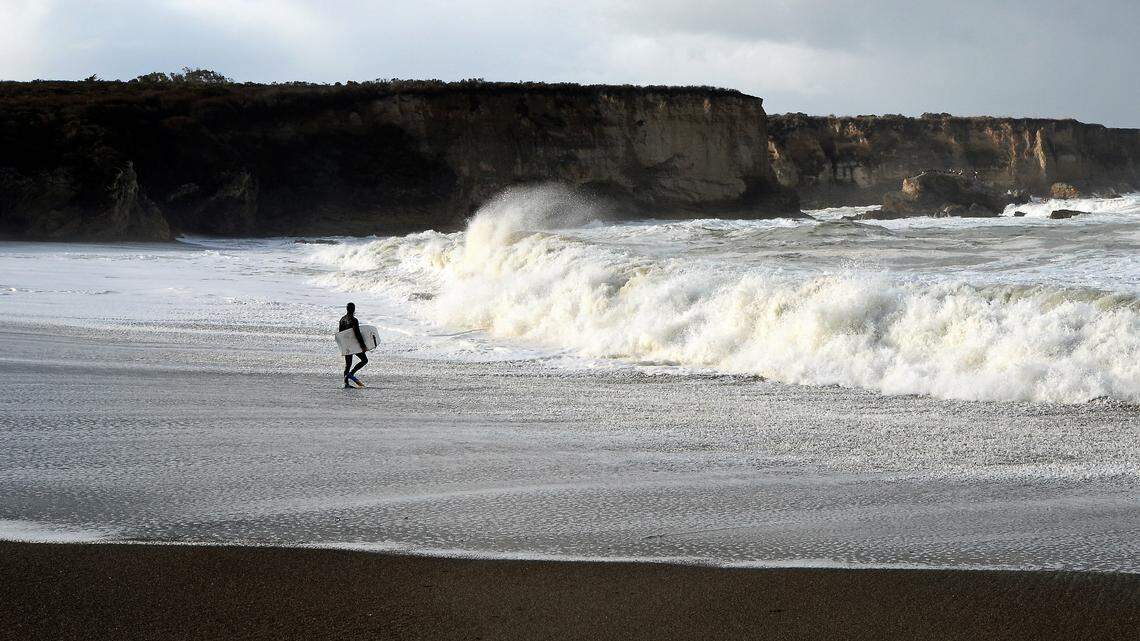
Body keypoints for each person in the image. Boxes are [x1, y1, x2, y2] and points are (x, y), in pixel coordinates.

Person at [339, 302, 368, 388]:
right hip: (354, 345)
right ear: (354, 309)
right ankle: (351, 374)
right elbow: (357, 334)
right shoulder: (354, 320)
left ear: (346, 309)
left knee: (348, 364)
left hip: (346, 344)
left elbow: (340, 334)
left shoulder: (342, 319)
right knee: (364, 360)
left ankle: (346, 382)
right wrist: (363, 346)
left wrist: (343, 345)